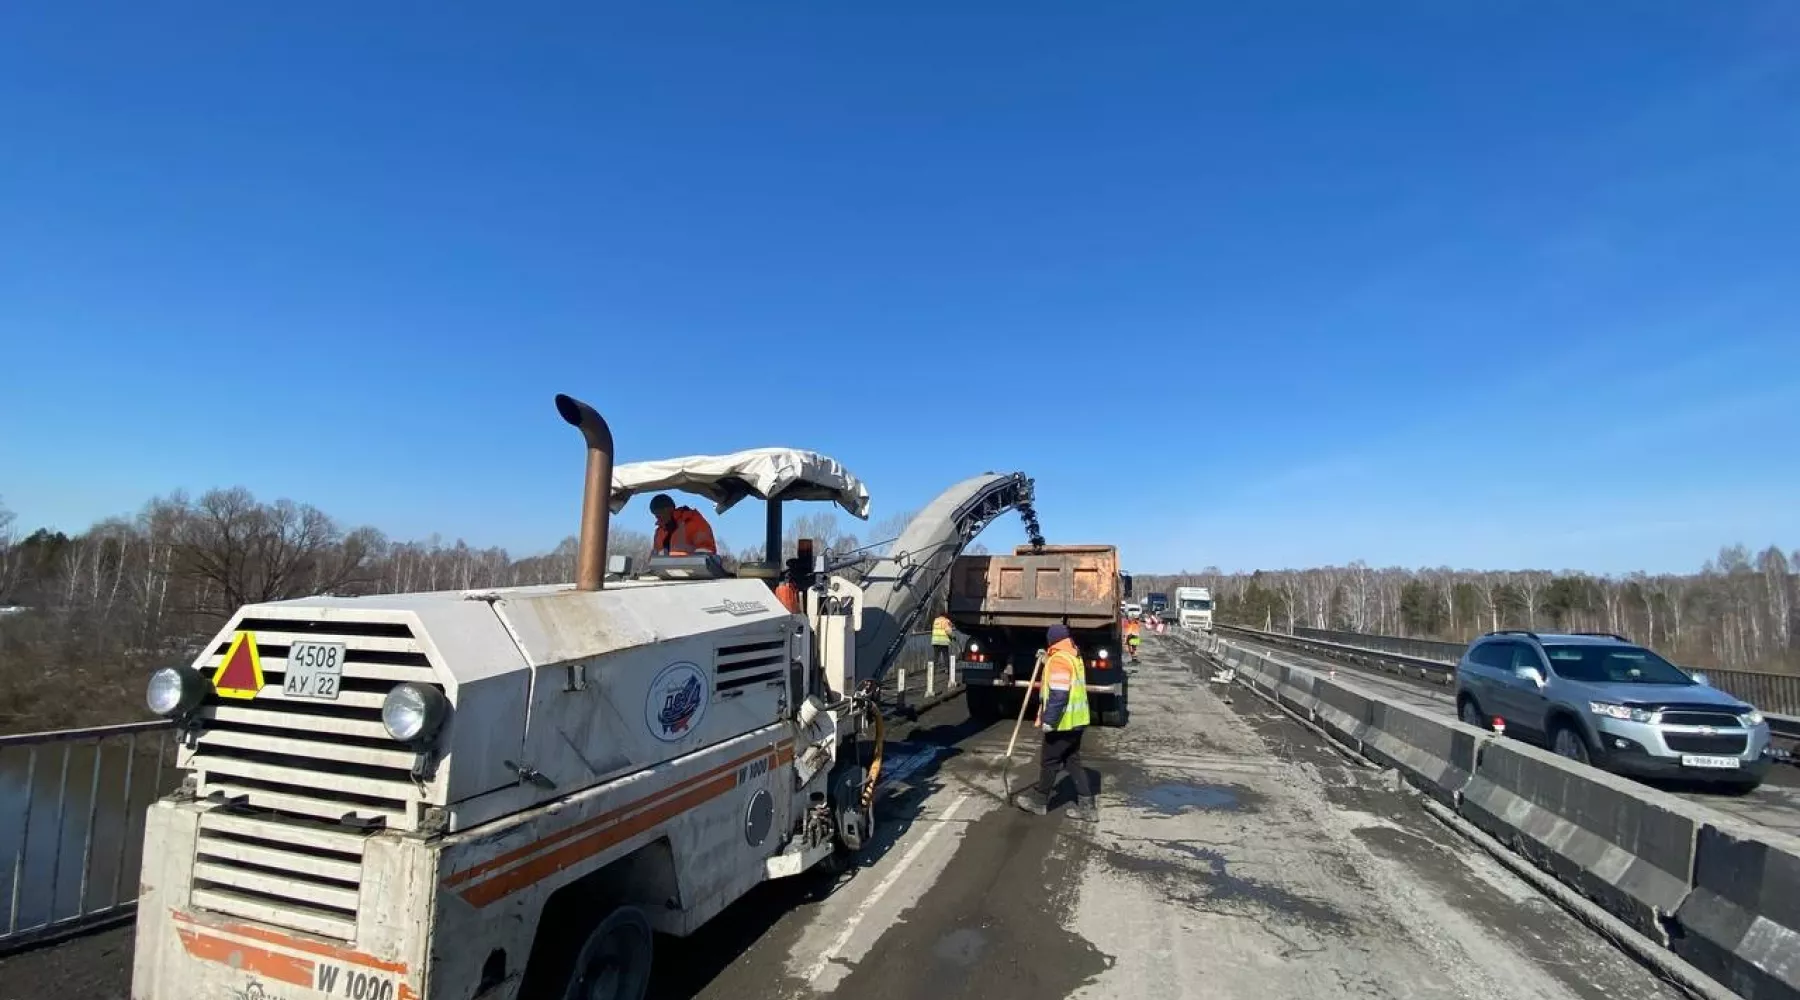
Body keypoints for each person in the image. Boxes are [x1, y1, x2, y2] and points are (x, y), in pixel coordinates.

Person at [1012, 624, 1097, 822]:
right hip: (1078, 721)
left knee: (1049, 761)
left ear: (1053, 640)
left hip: (1063, 723)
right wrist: (1046, 657)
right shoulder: (1072, 655)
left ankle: (1040, 802)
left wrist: (1049, 720)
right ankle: (1088, 808)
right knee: (1072, 761)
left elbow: (1059, 694)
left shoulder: (1059, 659)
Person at [649, 494, 718, 556]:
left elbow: (706, 550)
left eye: (660, 512)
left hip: (691, 569)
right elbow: (654, 557)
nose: (657, 517)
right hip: (665, 570)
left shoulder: (693, 523)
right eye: (655, 514)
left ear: (670, 509)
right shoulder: (659, 532)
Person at [931, 611, 954, 677]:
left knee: (936, 657)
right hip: (943, 642)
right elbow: (948, 631)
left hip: (935, 641)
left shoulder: (936, 620)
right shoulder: (946, 621)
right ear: (945, 615)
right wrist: (953, 637)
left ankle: (933, 671)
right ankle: (948, 670)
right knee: (945, 656)